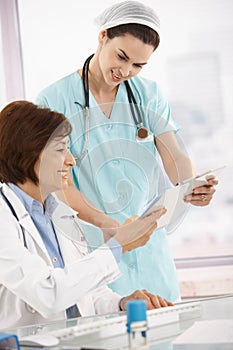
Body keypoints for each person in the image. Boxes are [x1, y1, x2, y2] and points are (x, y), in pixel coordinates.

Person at [36, 0, 218, 302]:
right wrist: (110, 227)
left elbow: (174, 155)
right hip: (93, 248)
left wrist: (191, 186)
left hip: (150, 248)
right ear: (103, 36)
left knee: (159, 334)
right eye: (121, 57)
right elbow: (58, 184)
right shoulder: (54, 99)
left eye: (138, 65)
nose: (125, 70)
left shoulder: (149, 94)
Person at [0, 100, 172, 330]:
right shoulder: (4, 217)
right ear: (28, 153)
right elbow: (48, 294)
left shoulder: (60, 213)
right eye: (61, 149)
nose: (71, 160)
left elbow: (85, 295)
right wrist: (118, 245)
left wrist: (121, 303)